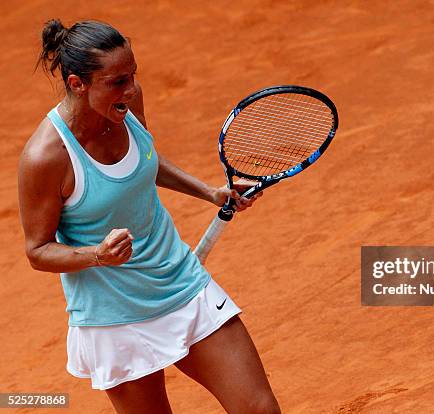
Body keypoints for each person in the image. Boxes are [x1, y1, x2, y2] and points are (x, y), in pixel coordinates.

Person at [18, 19, 281, 414]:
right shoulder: (46, 158)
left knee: (259, 409)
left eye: (133, 75)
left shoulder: (126, 102)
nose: (130, 89)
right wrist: (97, 255)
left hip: (180, 284)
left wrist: (211, 192)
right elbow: (37, 251)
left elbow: (143, 162)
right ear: (77, 84)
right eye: (117, 81)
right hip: (114, 318)